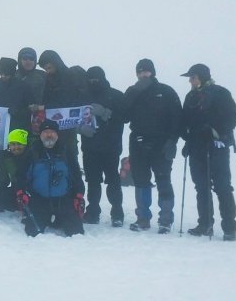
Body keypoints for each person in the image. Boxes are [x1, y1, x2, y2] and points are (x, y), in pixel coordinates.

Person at [180, 64, 236, 241]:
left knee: (222, 186)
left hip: (217, 146)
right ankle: (205, 224)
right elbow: (185, 120)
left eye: (193, 77)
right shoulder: (190, 96)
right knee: (201, 187)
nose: (190, 81)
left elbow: (235, 117)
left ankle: (229, 228)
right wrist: (187, 139)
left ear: (202, 77)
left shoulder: (221, 93)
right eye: (190, 78)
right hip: (197, 148)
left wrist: (215, 130)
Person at [121, 58, 181, 234]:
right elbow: (123, 116)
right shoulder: (133, 91)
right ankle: (143, 218)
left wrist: (172, 141)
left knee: (163, 179)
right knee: (140, 181)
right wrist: (132, 93)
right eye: (139, 72)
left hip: (161, 143)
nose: (143, 75)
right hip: (138, 141)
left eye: (146, 71)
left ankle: (165, 220)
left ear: (153, 72)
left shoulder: (166, 91)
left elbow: (177, 119)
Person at [16, 120, 85, 237]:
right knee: (33, 231)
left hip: (63, 199)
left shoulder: (66, 152)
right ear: (40, 135)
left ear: (57, 135)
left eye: (52, 132)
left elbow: (76, 175)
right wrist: (21, 192)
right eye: (46, 132)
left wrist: (79, 194)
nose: (49, 135)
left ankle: (60, 218)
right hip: (39, 199)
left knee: (76, 232)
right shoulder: (32, 152)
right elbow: (21, 175)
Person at [0, 57, 32, 213]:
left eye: (7, 74)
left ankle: (23, 199)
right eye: (2, 74)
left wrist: (17, 111)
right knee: (0, 170)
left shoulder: (23, 87)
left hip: (18, 135)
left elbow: (30, 109)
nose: (4, 77)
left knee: (21, 170)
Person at [80, 66, 125, 227]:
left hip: (111, 147)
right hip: (90, 146)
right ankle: (93, 212)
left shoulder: (116, 96)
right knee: (92, 181)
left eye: (96, 79)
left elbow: (125, 117)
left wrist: (106, 112)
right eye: (90, 79)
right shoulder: (83, 96)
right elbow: (74, 117)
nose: (93, 82)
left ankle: (117, 213)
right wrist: (80, 129)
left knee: (113, 180)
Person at [38, 50, 87, 161]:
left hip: (70, 124)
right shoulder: (48, 80)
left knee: (70, 155)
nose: (48, 71)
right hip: (54, 125)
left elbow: (79, 98)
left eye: (49, 68)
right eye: (45, 69)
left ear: (56, 63)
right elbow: (46, 100)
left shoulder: (73, 75)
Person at [0, 129, 32, 216]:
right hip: (18, 190)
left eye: (19, 144)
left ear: (25, 145)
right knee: (0, 197)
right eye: (13, 144)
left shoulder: (31, 157)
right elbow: (6, 179)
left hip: (31, 191)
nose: (16, 147)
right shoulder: (8, 158)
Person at [16, 47, 46, 111]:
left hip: (40, 115)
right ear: (19, 60)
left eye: (31, 59)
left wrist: (40, 107)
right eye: (25, 58)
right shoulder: (13, 76)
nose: (28, 61)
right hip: (17, 116)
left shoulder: (43, 76)